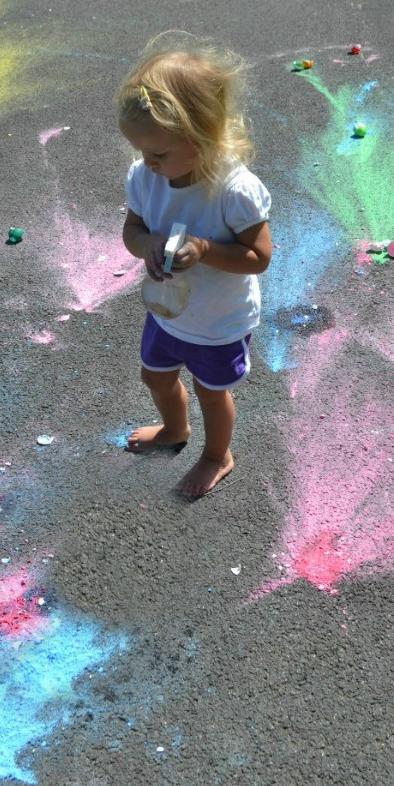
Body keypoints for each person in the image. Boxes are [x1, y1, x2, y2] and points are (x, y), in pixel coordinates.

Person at [116, 32, 272, 497]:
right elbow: (132, 230)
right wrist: (145, 244)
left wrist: (204, 249)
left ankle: (216, 455)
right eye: (141, 151)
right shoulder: (145, 177)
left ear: (202, 137)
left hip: (220, 322)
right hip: (167, 311)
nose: (147, 162)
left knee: (211, 392)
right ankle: (174, 431)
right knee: (155, 376)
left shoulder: (234, 190)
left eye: (159, 153)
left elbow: (259, 258)